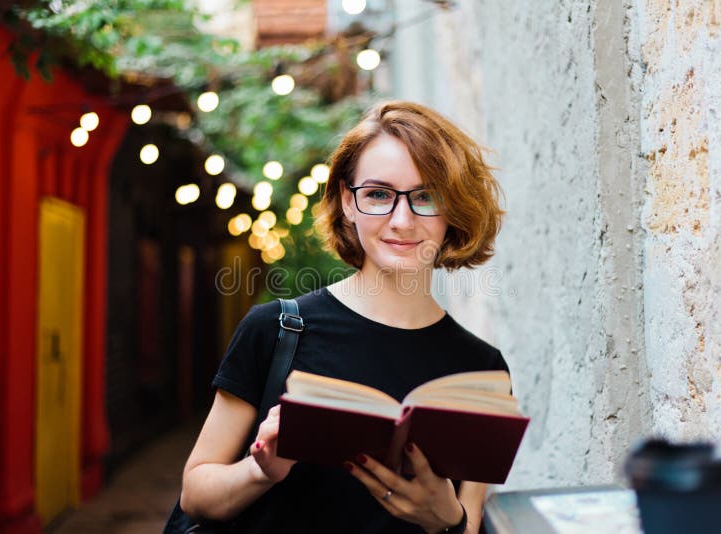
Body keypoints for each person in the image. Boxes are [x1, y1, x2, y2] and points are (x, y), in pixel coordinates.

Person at [179, 101, 510, 533]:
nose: (402, 219)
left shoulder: (483, 372)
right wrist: (259, 471)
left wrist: (447, 520)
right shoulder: (276, 330)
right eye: (378, 194)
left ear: (454, 210)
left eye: (426, 196)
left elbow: (470, 519)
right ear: (347, 202)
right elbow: (195, 493)